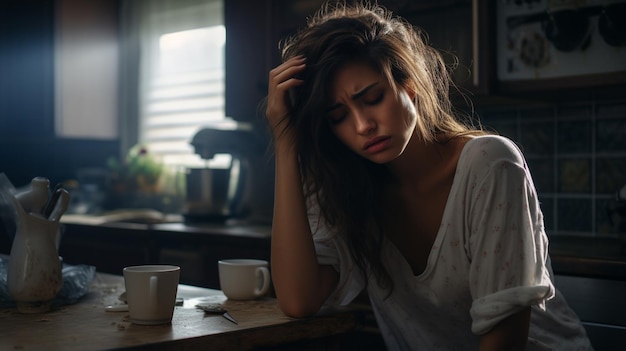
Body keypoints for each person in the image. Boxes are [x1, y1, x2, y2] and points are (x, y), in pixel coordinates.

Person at [264, 1, 594, 350]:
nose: (363, 126)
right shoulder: (346, 185)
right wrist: (287, 143)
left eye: (373, 98)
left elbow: (504, 341)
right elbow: (299, 301)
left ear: (410, 86)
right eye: (338, 116)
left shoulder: (490, 164)